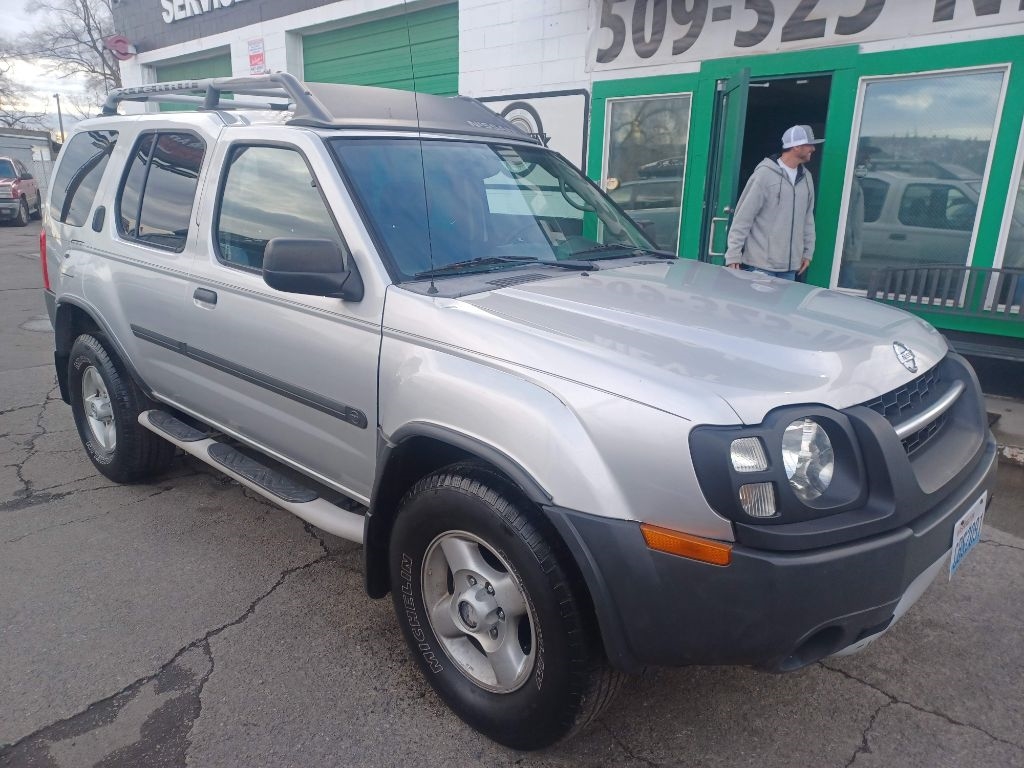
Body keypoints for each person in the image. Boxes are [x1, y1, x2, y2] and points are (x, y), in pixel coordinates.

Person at [725, 124, 824, 280]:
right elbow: (744, 216)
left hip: (791, 268)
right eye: (809, 144)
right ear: (796, 146)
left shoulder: (807, 178)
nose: (813, 149)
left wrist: (807, 252)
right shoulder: (764, 174)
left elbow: (807, 219)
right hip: (761, 267)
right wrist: (733, 254)